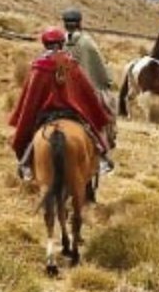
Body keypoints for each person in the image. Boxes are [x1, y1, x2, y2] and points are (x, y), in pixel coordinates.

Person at [9, 27, 115, 181]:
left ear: (45, 44)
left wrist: (24, 118)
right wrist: (95, 112)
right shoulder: (73, 65)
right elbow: (87, 92)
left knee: (29, 138)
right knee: (93, 134)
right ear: (62, 43)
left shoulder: (38, 67)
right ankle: (102, 159)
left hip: (45, 114)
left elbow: (30, 99)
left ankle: (26, 165)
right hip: (73, 112)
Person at [62, 8, 117, 174]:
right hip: (85, 93)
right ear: (80, 23)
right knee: (107, 115)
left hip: (62, 93)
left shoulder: (59, 41)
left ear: (65, 24)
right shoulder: (87, 42)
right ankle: (103, 154)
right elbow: (99, 69)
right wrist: (107, 80)